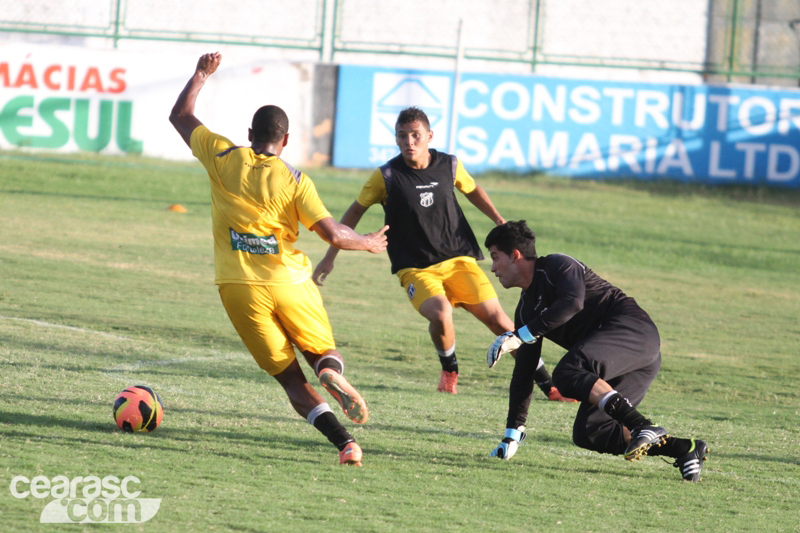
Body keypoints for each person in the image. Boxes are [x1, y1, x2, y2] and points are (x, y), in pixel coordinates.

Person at [169, 52, 390, 467]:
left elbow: (180, 116)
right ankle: (329, 370)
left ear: (250, 133)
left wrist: (201, 74)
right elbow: (333, 233)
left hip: (239, 288)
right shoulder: (296, 180)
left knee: (289, 379)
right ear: (284, 141)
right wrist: (367, 242)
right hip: (290, 282)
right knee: (321, 352)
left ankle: (345, 443)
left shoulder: (223, 156)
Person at [312, 107, 570, 400]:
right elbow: (355, 211)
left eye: (415, 135)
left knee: (500, 321)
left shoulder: (449, 165)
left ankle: (550, 387)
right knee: (441, 312)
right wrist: (330, 256)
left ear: (429, 136)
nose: (409, 142)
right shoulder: (386, 176)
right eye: (402, 136)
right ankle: (450, 371)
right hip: (415, 268)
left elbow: (473, 190)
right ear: (396, 139)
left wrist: (499, 220)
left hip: (459, 260)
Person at [484, 220, 708, 482]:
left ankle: (642, 425)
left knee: (567, 372)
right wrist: (512, 435)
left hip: (636, 334)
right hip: (620, 361)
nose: (493, 268)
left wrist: (521, 335)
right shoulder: (526, 310)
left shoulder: (558, 265)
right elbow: (523, 374)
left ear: (515, 255)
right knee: (591, 432)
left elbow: (572, 303)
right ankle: (684, 449)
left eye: (495, 257)